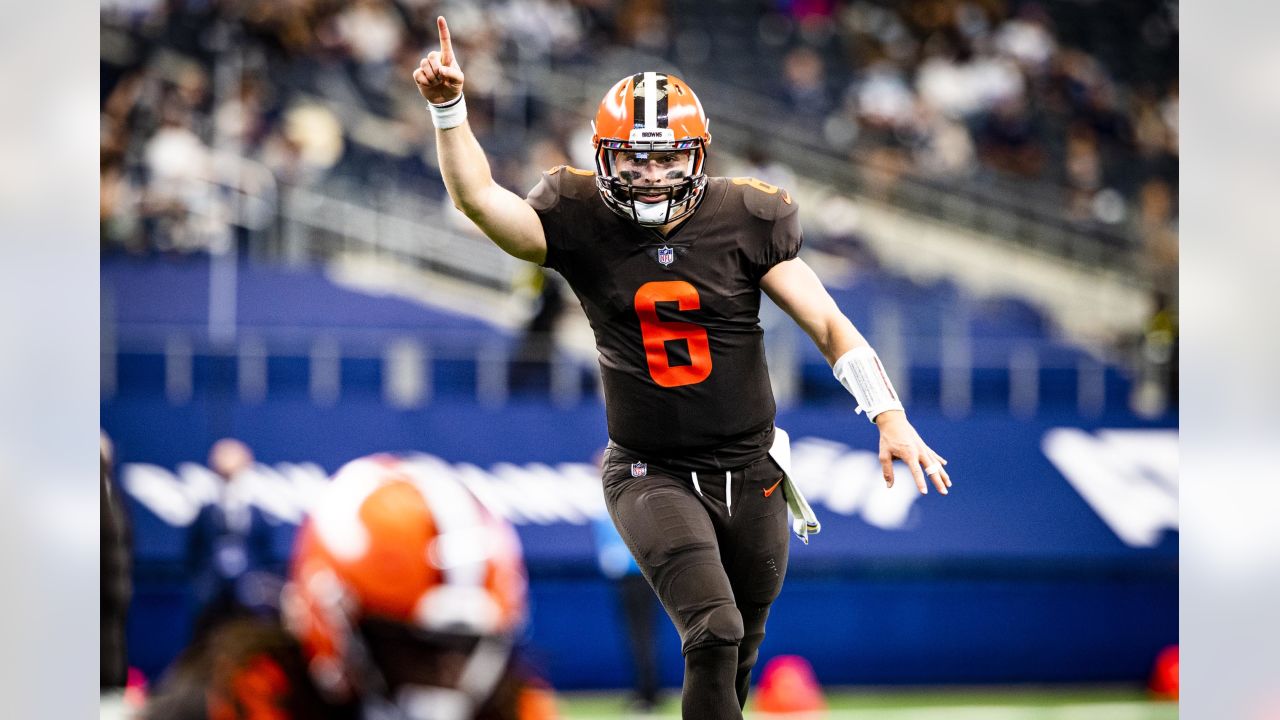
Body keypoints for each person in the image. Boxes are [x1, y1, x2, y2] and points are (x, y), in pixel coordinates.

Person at [413, 18, 952, 719]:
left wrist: (890, 415)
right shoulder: (579, 216)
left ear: (698, 156)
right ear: (604, 158)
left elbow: (825, 322)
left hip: (753, 470)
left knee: (741, 649)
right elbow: (481, 200)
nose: (651, 175)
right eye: (634, 160)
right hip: (651, 470)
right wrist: (449, 110)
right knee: (715, 629)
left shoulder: (746, 216)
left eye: (668, 158)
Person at [143, 454, 558, 720]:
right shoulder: (240, 699)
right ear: (333, 618)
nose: (449, 672)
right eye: (413, 642)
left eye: (468, 645)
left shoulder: (512, 705)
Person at [186, 438, 277, 639]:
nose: (231, 482)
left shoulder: (258, 514)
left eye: (236, 474)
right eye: (224, 476)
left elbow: (265, 553)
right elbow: (193, 551)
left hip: (249, 596)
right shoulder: (205, 513)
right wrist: (202, 584)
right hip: (211, 596)